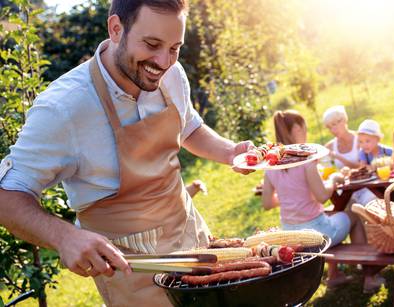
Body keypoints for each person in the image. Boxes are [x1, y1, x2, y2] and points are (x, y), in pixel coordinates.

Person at [0, 1, 253, 305]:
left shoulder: (171, 74)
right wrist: (64, 236)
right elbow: (8, 196)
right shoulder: (63, 107)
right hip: (132, 273)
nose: (164, 61)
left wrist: (230, 151)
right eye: (152, 44)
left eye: (175, 48)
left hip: (194, 243)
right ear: (116, 29)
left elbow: (189, 128)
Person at [261, 110, 384, 291]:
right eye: (304, 129)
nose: (306, 133)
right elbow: (322, 196)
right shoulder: (306, 159)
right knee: (354, 215)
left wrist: (291, 197)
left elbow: (267, 203)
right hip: (317, 233)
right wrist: (333, 180)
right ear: (296, 129)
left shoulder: (270, 164)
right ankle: (369, 277)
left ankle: (334, 276)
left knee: (333, 214)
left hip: (290, 234)